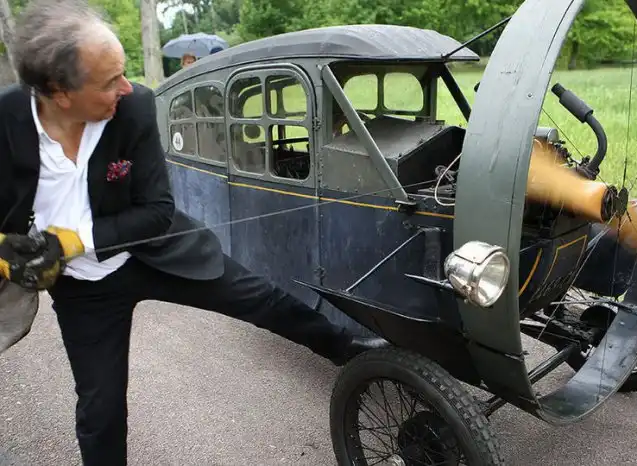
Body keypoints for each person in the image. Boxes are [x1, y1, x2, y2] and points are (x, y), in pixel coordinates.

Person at [0, 1, 388, 464]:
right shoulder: (7, 120)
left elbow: (157, 212)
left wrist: (72, 240)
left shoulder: (134, 107)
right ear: (59, 93)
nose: (126, 87)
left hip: (156, 252)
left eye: (123, 73)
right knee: (100, 409)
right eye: (109, 81)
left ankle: (347, 349)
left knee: (260, 298)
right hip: (83, 288)